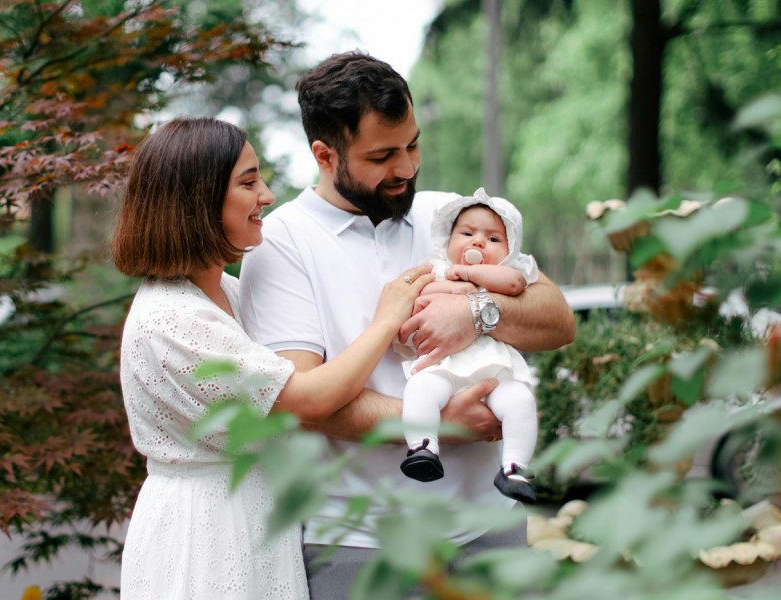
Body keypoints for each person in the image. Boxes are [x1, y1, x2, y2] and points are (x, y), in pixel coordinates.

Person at [239, 51, 575, 597]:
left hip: (490, 527)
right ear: (325, 154)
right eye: (382, 155)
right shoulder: (281, 244)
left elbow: (558, 320)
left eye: (413, 144)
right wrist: (447, 420)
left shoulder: (451, 218)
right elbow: (300, 403)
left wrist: (475, 312)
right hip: (363, 544)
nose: (407, 168)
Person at [112, 117, 434, 599]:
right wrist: (387, 320)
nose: (266, 194)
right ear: (196, 200)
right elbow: (305, 398)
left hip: (253, 520)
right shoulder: (172, 320)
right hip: (206, 537)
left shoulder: (223, 291)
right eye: (248, 182)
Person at [399, 188, 540, 505]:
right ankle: (423, 446)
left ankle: (514, 468)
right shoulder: (435, 269)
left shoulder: (505, 273)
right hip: (443, 366)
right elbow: (420, 297)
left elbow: (515, 285)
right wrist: (451, 283)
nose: (478, 242)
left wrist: (469, 274)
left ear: (508, 250)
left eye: (493, 239)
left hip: (492, 370)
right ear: (447, 240)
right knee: (420, 390)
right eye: (467, 233)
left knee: (519, 401)